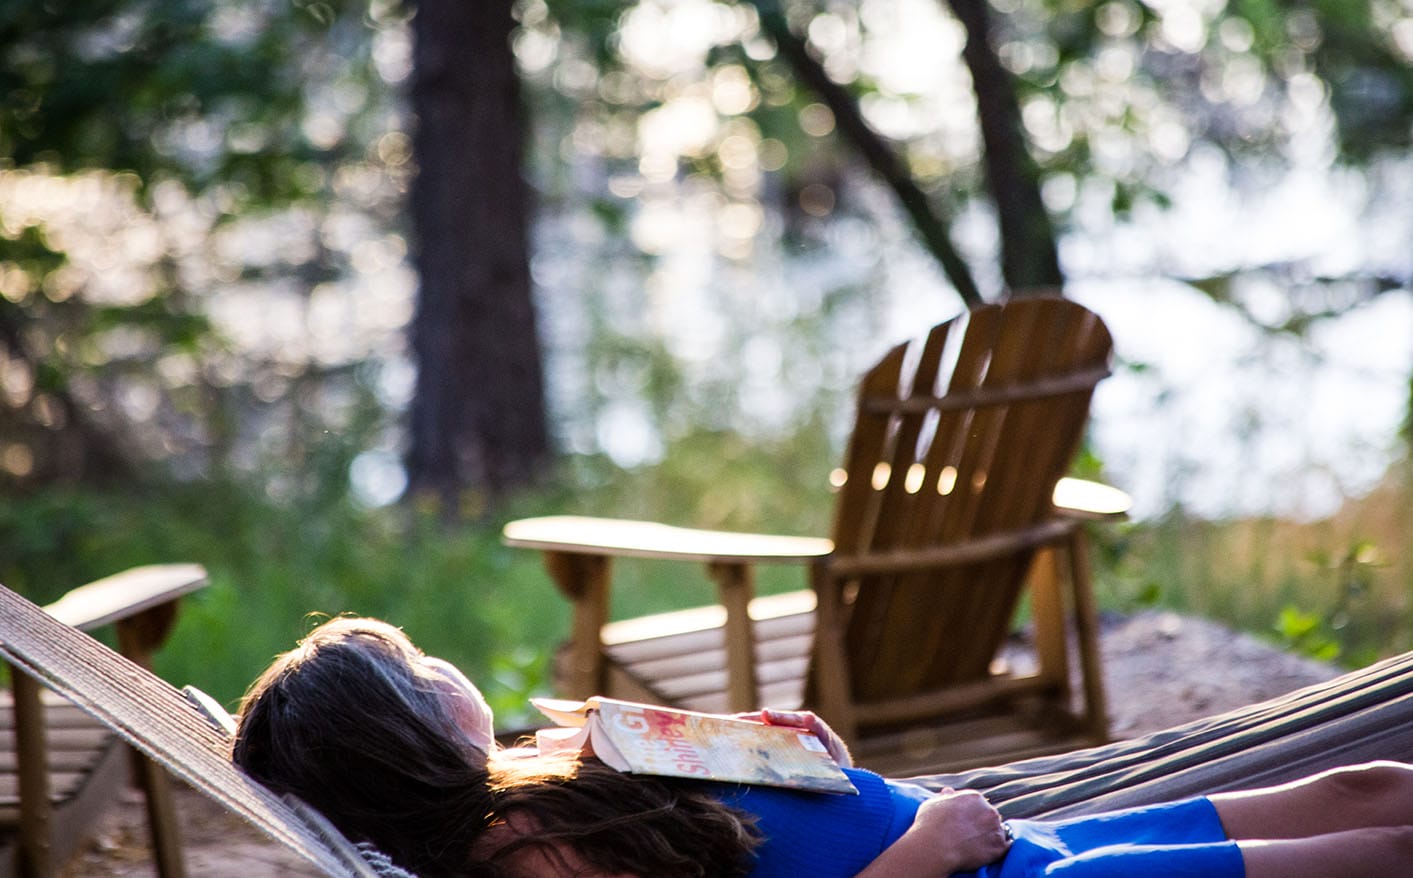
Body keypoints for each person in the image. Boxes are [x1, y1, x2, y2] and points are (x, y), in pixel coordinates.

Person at [233, 616, 1413, 877]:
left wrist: (793, 749)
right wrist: (931, 842)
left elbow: (744, 828)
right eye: (417, 668)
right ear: (397, 731)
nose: (445, 664)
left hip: (998, 840)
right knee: (1365, 850)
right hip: (997, 873)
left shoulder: (550, 762)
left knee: (1361, 780)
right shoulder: (523, 847)